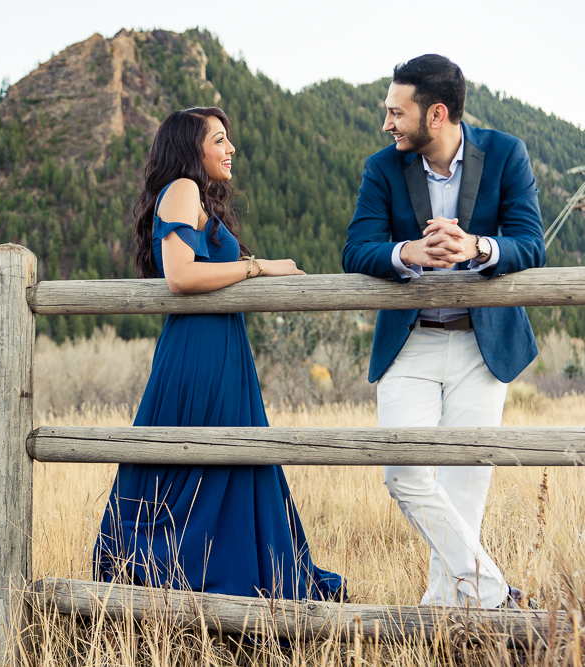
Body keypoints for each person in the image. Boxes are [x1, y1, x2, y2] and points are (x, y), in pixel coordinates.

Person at [93, 107, 342, 600]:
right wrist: (257, 268)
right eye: (220, 140)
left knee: (225, 464)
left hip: (220, 349)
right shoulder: (183, 189)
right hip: (200, 351)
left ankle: (213, 584)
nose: (231, 150)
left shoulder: (194, 196)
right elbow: (181, 275)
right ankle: (194, 583)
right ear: (192, 148)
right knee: (205, 463)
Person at [342, 55, 545, 608]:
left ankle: (446, 613)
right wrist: (409, 252)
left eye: (395, 112)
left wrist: (478, 247)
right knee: (404, 472)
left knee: (465, 486)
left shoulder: (506, 153)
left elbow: (531, 242)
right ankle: (493, 593)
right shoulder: (382, 167)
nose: (387, 123)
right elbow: (355, 249)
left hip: (486, 348)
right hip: (410, 345)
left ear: (436, 114)